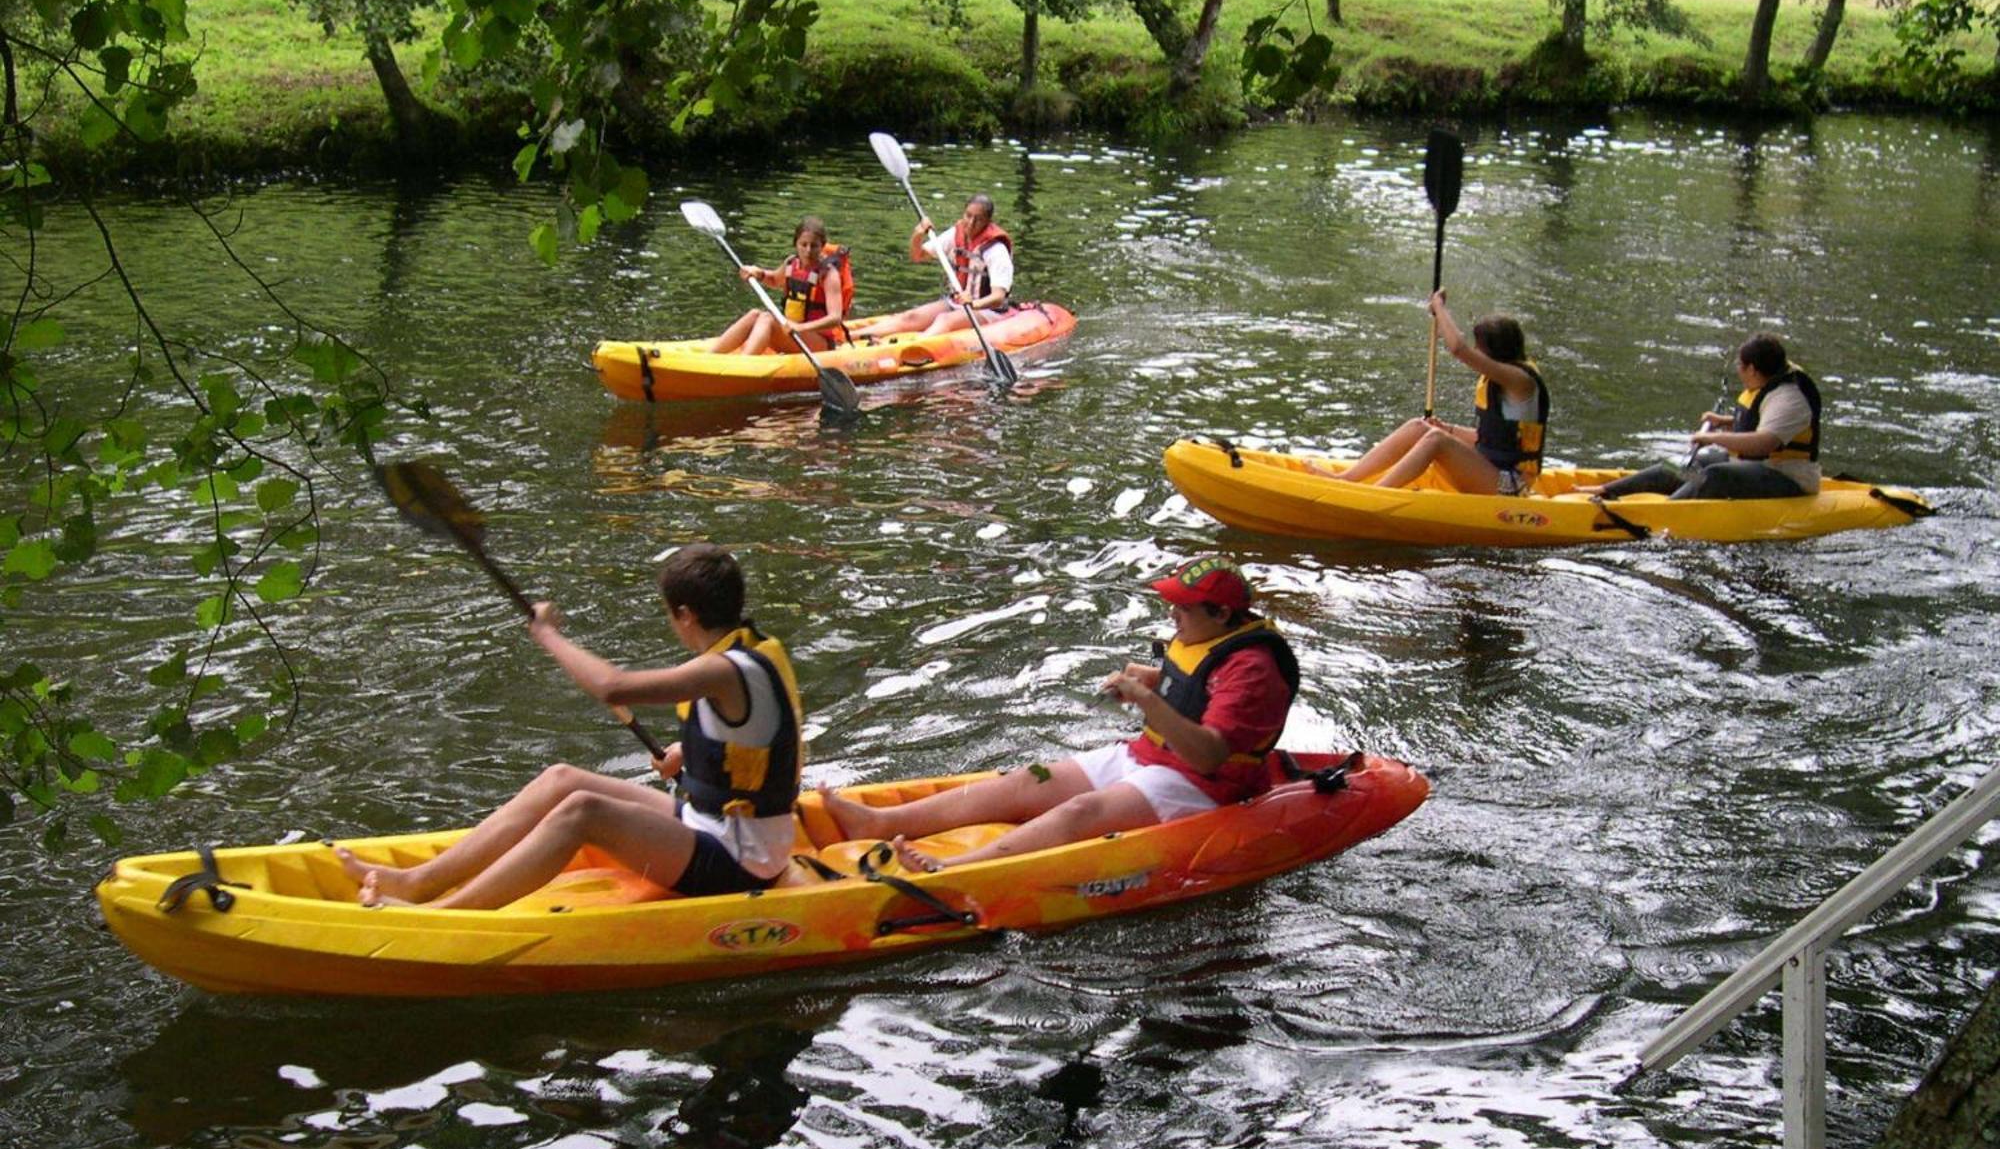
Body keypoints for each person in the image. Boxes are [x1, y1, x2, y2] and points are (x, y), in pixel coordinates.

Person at [339, 544, 806, 910]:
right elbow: (762, 739)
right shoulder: (752, 650)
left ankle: (447, 914)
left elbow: (612, 687)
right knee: (562, 779)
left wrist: (548, 636)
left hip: (741, 860)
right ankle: (420, 882)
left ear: (686, 614)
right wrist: (691, 756)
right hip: (709, 821)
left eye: (670, 614)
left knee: (583, 810)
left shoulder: (726, 670)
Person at [822, 557, 1299, 874]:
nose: (1171, 613)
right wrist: (1157, 680)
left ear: (1220, 614)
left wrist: (1148, 700)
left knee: (1079, 811)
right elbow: (1200, 688)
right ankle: (878, 823)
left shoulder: (1253, 670)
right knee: (1029, 779)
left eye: (1182, 607)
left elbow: (1211, 756)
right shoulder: (1209, 632)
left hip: (1204, 786)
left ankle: (958, 870)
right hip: (1153, 756)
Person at [1311, 290, 1550, 495]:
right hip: (1491, 469)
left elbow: (1458, 348)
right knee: (1420, 427)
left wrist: (1439, 307)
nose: (1476, 350)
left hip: (1511, 485)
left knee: (1436, 441)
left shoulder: (1520, 380)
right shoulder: (1504, 378)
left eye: (1480, 346)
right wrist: (1448, 428)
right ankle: (1347, 478)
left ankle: (1376, 494)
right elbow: (1494, 439)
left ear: (1494, 350)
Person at [1586, 333, 1822, 502]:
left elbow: (1765, 441)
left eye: (1740, 366)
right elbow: (1762, 419)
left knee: (1713, 476)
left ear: (1752, 369)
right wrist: (1725, 421)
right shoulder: (1769, 380)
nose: (1738, 371)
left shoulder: (1788, 397)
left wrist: (1714, 439)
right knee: (1679, 466)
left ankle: (1663, 513)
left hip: (1787, 477)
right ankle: (1606, 491)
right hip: (1754, 465)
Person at [861, 193, 1014, 339]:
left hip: (987, 310)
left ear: (988, 221)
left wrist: (973, 303)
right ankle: (847, 336)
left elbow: (998, 298)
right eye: (968, 216)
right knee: (911, 317)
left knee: (944, 320)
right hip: (958, 303)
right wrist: (917, 235)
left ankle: (913, 347)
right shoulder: (956, 234)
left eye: (978, 219)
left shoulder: (996, 249)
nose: (971, 223)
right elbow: (918, 256)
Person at [707, 216, 853, 356]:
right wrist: (758, 273)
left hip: (820, 342)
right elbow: (774, 279)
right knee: (755, 314)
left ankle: (742, 365)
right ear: (796, 244)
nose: (808, 251)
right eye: (803, 245)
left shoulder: (828, 274)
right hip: (794, 332)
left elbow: (835, 318)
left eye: (814, 246)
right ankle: (710, 357)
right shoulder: (791, 263)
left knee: (768, 319)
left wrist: (800, 327)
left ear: (822, 245)